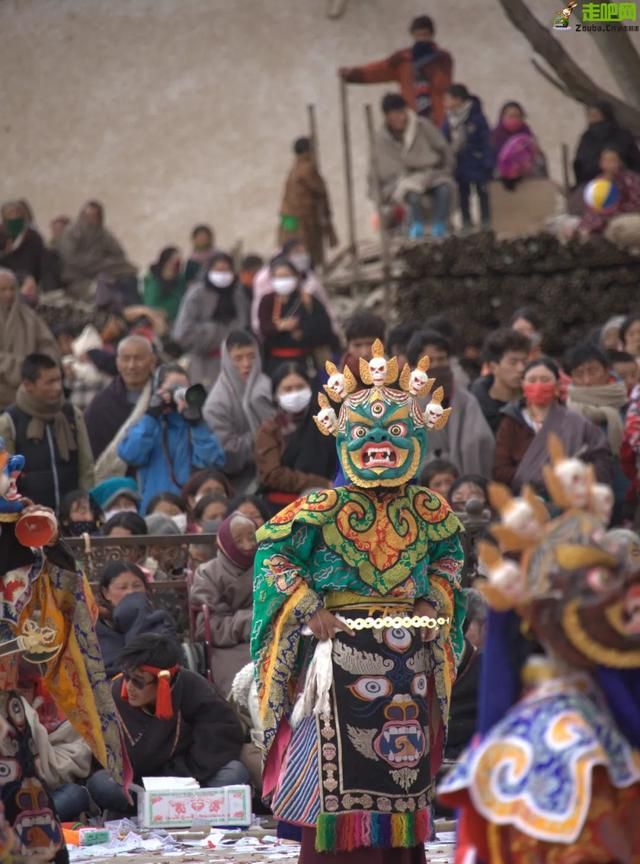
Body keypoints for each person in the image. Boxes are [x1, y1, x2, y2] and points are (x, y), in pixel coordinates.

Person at [252, 338, 465, 860]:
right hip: (339, 661)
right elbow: (272, 561)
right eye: (365, 432)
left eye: (393, 432)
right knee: (335, 783)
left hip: (409, 660)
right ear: (345, 439)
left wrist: (431, 600)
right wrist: (311, 608)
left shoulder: (430, 507)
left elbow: (450, 562)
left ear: (415, 437)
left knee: (403, 766)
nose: (378, 443)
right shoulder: (320, 507)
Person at [87, 634, 248, 815]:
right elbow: (107, 756)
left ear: (164, 680)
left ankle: (167, 808)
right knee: (102, 784)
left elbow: (220, 735)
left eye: (138, 682)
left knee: (234, 773)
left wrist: (177, 776)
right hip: (139, 784)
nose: (129, 686)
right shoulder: (115, 693)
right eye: (127, 677)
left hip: (188, 778)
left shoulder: (194, 688)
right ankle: (149, 808)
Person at [494, 357, 613, 494]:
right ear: (523, 385)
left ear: (557, 385)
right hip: (524, 502)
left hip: (571, 501)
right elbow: (500, 469)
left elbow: (601, 461)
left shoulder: (577, 422)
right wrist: (540, 480)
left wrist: (573, 479)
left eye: (545, 380)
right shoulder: (511, 422)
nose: (538, 385)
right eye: (532, 380)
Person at [117, 363, 225, 514]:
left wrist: (197, 424)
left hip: (189, 510)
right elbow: (130, 454)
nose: (178, 393)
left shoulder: (196, 426)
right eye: (173, 388)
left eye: (183, 388)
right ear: (158, 390)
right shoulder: (149, 423)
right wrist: (151, 416)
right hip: (154, 509)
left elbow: (210, 462)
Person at [0, 354, 94, 511]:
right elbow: (5, 478)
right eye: (49, 382)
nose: (57, 387)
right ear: (28, 385)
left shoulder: (71, 415)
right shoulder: (10, 422)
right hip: (29, 519)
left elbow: (86, 468)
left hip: (71, 516)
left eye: (58, 380)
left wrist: (86, 506)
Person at [408, 329, 495, 478]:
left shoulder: (467, 401)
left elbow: (483, 442)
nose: (436, 365)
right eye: (429, 361)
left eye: (441, 359)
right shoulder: (405, 406)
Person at [339, 14, 453, 126]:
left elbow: (443, 85)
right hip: (411, 118)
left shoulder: (442, 59)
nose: (422, 39)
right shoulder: (402, 60)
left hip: (438, 118)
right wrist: (353, 74)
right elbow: (379, 70)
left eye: (425, 35)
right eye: (418, 35)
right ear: (412, 35)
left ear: (431, 35)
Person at [190, 511, 257, 694]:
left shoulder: (269, 564)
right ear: (226, 542)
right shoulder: (207, 574)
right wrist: (250, 621)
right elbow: (208, 626)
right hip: (229, 646)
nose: (248, 545)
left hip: (268, 638)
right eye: (239, 539)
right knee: (244, 687)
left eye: (252, 537)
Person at [371, 92, 454, 239]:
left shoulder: (421, 126)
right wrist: (379, 193)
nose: (398, 118)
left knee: (444, 190)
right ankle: (416, 227)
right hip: (402, 180)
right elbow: (378, 168)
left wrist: (445, 169)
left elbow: (443, 148)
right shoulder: (382, 138)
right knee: (412, 196)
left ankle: (440, 225)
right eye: (393, 114)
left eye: (401, 112)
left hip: (430, 174)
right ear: (387, 116)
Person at [255, 363, 336, 511]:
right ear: (275, 395)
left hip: (327, 500)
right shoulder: (270, 430)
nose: (295, 393)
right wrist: (318, 483)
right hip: (281, 508)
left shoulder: (326, 421)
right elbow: (273, 474)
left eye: (300, 387)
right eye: (287, 389)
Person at [203, 331, 275, 490]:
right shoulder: (217, 404)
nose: (246, 364)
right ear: (227, 361)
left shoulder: (269, 386)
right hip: (240, 483)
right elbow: (228, 453)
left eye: (251, 356)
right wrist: (266, 435)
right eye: (238, 358)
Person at [172, 251, 250, 389]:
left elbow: (245, 327)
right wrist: (213, 332)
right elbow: (182, 333)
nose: (222, 274)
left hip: (235, 365)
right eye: (218, 270)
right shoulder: (196, 294)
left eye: (226, 270)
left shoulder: (238, 295)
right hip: (203, 364)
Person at [84, 334, 156, 470]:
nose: (132, 365)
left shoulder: (163, 397)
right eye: (126, 359)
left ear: (152, 361)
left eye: (138, 358)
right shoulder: (101, 404)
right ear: (117, 362)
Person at [95, 561, 178, 678]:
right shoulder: (98, 627)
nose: (130, 592)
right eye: (122, 587)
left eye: (137, 586)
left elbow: (162, 661)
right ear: (106, 593)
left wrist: (138, 613)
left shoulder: (161, 620)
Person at [257, 257, 334, 376]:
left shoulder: (308, 300)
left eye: (286, 276)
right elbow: (263, 327)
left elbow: (324, 328)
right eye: (278, 277)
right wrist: (280, 327)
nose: (282, 281)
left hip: (305, 361)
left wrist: (302, 331)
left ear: (296, 277)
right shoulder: (268, 300)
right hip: (275, 362)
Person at [0, 267, 58, 410]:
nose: (8, 294)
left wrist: (40, 366)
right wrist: (22, 366)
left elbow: (48, 345)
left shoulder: (29, 317)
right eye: (3, 290)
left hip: (31, 387)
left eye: (12, 289)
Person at [251, 239, 337, 334]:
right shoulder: (265, 282)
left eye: (304, 252)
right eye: (297, 252)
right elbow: (260, 319)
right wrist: (279, 326)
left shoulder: (310, 279)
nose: (302, 256)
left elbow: (324, 309)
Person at [58, 200, 137, 300]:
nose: (90, 219)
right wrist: (97, 261)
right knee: (99, 291)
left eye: (94, 216)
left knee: (129, 272)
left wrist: (106, 263)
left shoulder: (103, 234)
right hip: (78, 278)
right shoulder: (72, 232)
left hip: (102, 271)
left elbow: (119, 254)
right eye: (87, 216)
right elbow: (71, 258)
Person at [278, 136, 338, 267]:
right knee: (304, 251)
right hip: (302, 220)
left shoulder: (293, 170)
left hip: (288, 217)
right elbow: (321, 192)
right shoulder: (307, 168)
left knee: (289, 245)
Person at [442, 84, 493, 230]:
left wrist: (488, 161)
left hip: (477, 163)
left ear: (458, 99)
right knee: (463, 196)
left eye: (448, 99)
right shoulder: (449, 120)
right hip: (459, 165)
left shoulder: (477, 117)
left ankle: (486, 222)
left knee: (482, 194)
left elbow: (486, 140)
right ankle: (466, 223)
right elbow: (442, 140)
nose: (445, 103)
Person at [564, 342, 628, 456]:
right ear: (572, 378)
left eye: (593, 371)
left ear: (607, 371)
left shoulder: (629, 404)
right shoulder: (565, 411)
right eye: (579, 375)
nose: (587, 380)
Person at [471, 328, 530, 434]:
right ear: (493, 367)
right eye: (513, 363)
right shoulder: (474, 406)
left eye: (525, 362)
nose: (521, 368)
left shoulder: (532, 402)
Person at [573, 101, 640, 186]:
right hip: (592, 184)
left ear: (605, 115)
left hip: (622, 182)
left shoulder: (622, 135)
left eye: (595, 115)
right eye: (590, 116)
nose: (591, 119)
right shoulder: (588, 137)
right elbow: (579, 164)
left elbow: (635, 161)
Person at [578, 147, 640, 235]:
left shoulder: (630, 179)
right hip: (600, 217)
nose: (609, 165)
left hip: (623, 215)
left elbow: (635, 204)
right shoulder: (598, 181)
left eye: (612, 161)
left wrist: (613, 212)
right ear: (600, 164)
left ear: (619, 162)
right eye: (605, 161)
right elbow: (591, 206)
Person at [0, 200, 59, 292]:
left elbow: (43, 259)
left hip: (32, 280)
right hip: (8, 280)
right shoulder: (1, 235)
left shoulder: (32, 235)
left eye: (17, 213)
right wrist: (6, 253)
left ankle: (50, 292)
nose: (14, 216)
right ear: (4, 217)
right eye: (10, 213)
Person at [492, 101, 547, 184]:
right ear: (502, 117)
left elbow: (541, 170)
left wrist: (537, 155)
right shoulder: (493, 139)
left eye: (518, 116)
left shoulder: (529, 138)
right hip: (501, 189)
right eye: (511, 116)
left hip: (529, 188)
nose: (515, 119)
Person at [142, 246, 186, 325]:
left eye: (178, 262)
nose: (174, 264)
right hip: (158, 319)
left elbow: (182, 299)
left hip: (178, 319)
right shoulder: (153, 279)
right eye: (172, 261)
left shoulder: (180, 280)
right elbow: (151, 303)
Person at [341, 311, 386, 386]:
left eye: (370, 344)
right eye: (357, 345)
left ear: (383, 344)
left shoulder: (397, 375)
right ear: (348, 347)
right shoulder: (338, 384)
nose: (364, 353)